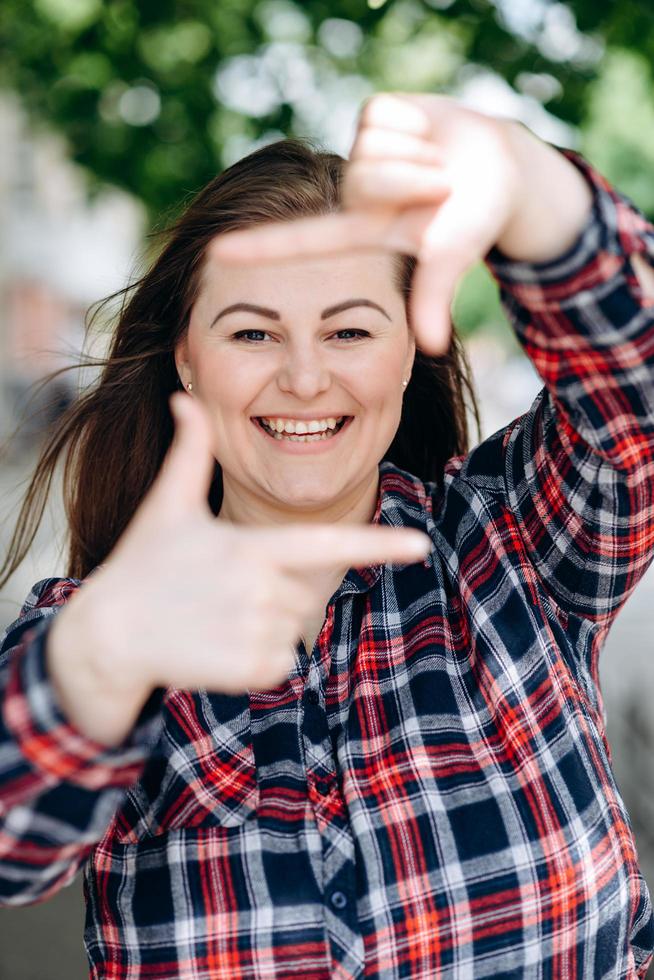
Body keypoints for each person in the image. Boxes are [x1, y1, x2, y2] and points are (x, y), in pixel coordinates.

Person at [0, 92, 653, 979]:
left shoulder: (514, 542)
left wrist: (536, 188)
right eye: (252, 331)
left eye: (349, 328)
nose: (305, 377)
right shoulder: (98, 625)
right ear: (187, 358)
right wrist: (101, 660)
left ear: (408, 349)